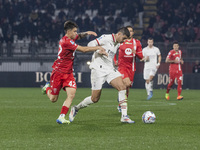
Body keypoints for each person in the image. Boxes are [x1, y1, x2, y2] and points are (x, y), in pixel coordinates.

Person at [41, 21, 107, 124]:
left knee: (71, 94)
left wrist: (87, 33)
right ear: (68, 31)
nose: (76, 33)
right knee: (53, 99)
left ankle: (62, 117)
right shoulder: (66, 41)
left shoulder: (71, 38)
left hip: (68, 73)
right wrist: (97, 47)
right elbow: (84, 50)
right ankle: (47, 88)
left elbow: (79, 36)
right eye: (75, 31)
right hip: (58, 72)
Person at [69, 27, 135, 123]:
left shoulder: (117, 44)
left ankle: (124, 116)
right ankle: (76, 108)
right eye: (124, 38)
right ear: (119, 34)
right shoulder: (105, 38)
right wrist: (99, 50)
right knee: (95, 98)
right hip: (98, 69)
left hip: (109, 69)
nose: (124, 41)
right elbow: (90, 44)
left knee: (122, 87)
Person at [113, 26, 143, 112]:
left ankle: (120, 103)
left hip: (132, 68)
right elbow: (114, 51)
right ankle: (123, 105)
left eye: (131, 31)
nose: (129, 32)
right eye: (128, 31)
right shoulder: (121, 41)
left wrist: (136, 52)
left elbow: (141, 57)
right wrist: (115, 60)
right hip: (122, 67)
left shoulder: (136, 43)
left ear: (133, 32)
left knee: (127, 87)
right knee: (126, 84)